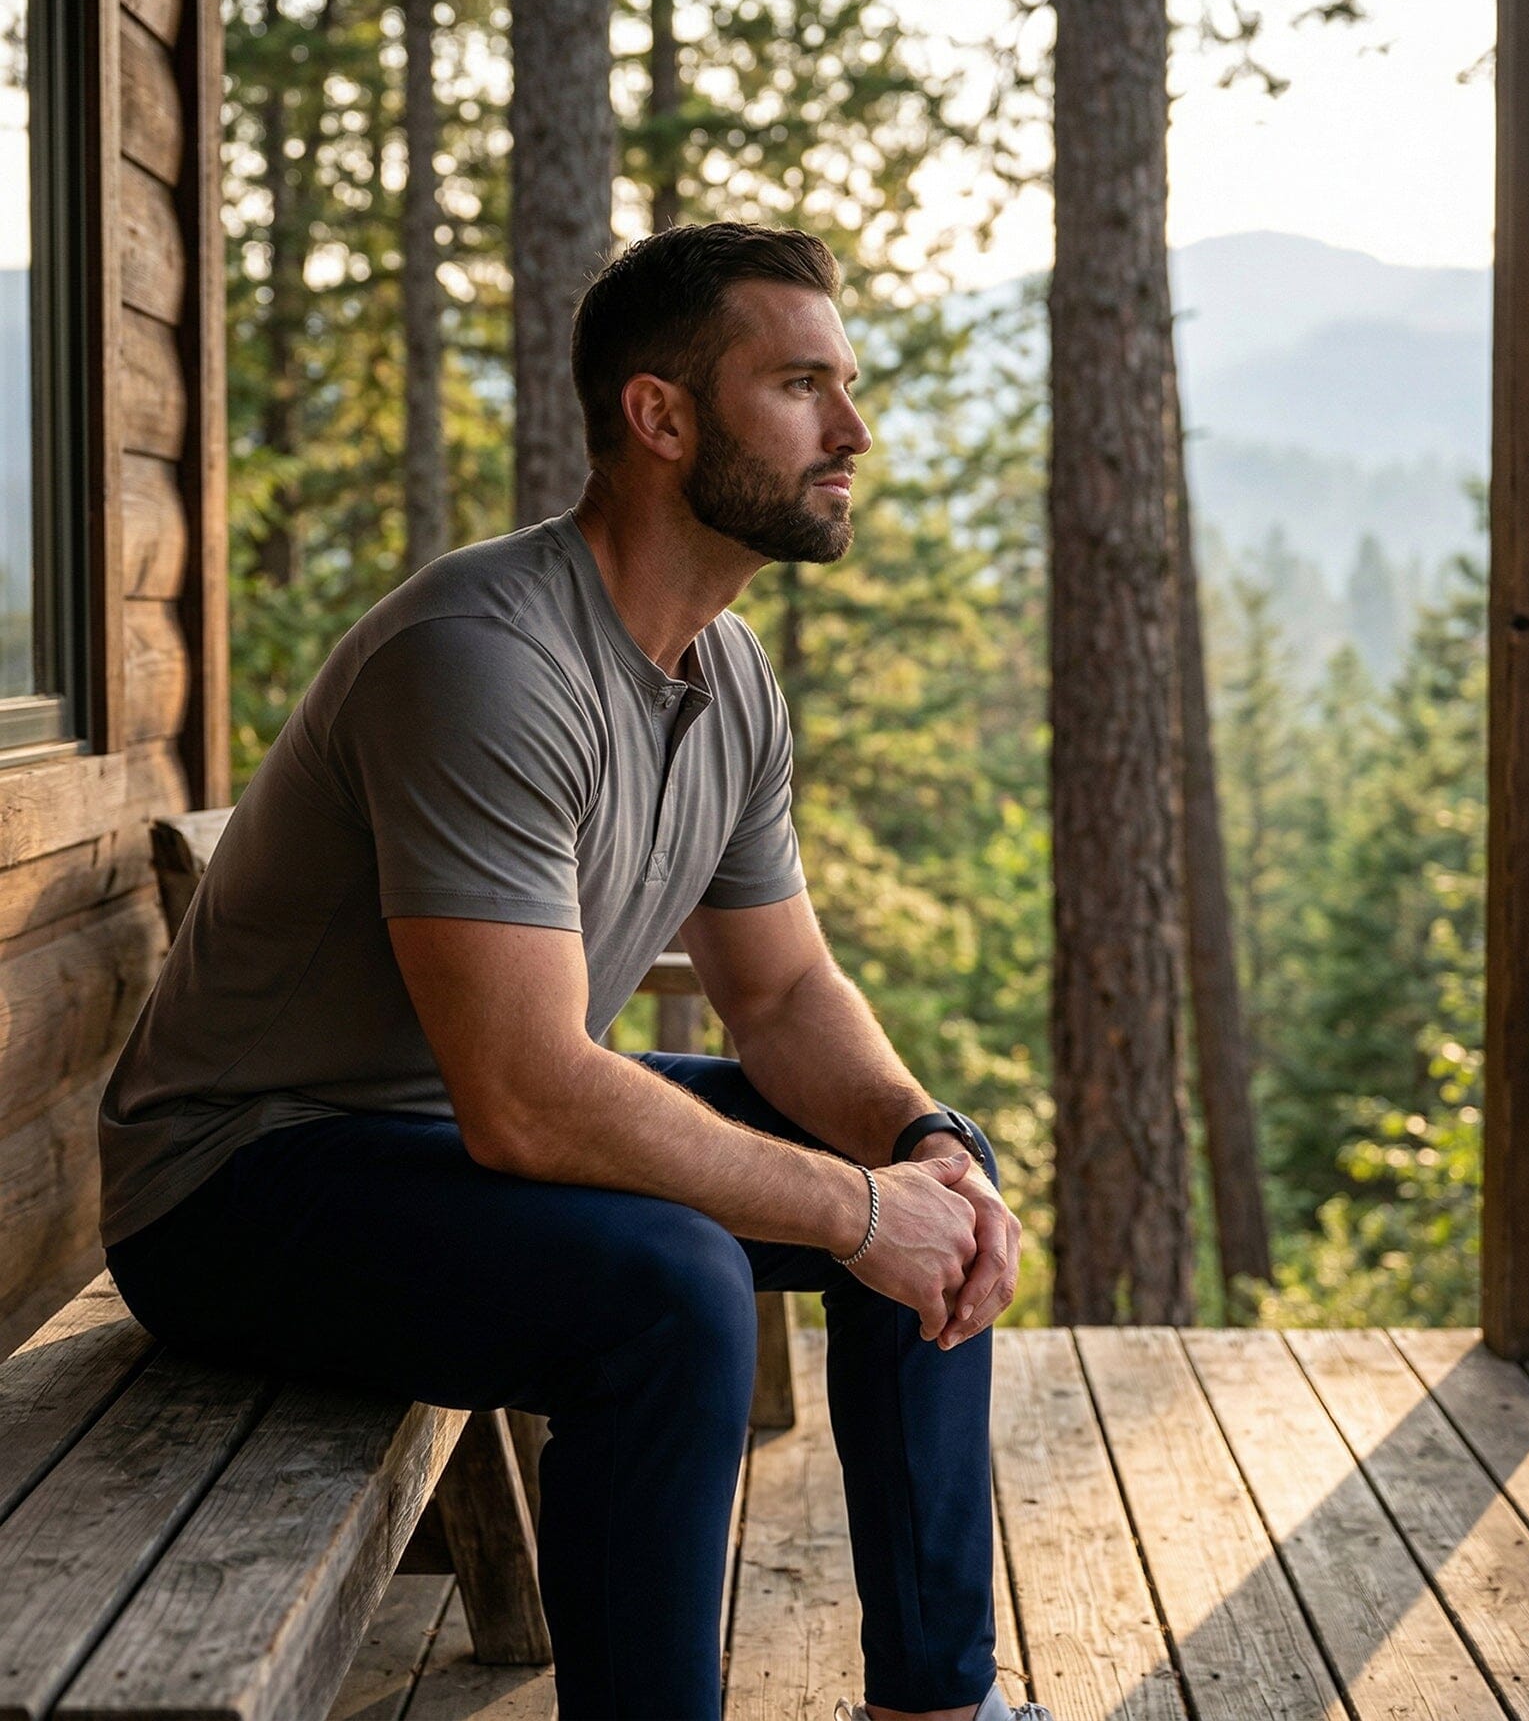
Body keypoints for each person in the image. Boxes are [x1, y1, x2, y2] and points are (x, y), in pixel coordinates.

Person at [98, 221, 1050, 1721]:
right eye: (803, 386)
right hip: (243, 1183)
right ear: (660, 418)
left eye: (847, 386)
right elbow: (530, 1104)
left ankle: (936, 1702)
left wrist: (912, 1153)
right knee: (671, 1291)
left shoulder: (727, 678)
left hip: (441, 1143)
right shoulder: (483, 655)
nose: (854, 431)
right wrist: (858, 1212)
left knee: (926, 1166)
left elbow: (788, 997)